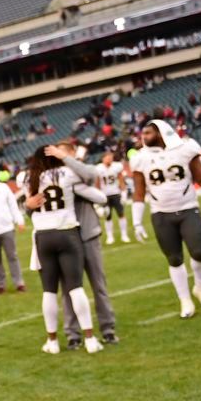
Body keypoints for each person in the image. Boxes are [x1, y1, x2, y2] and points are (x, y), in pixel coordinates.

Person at [129, 119, 201, 318]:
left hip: (188, 209)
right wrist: (137, 221)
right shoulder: (140, 158)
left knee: (199, 252)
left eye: (148, 133)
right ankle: (185, 299)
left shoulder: (185, 149)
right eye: (143, 133)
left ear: (162, 133)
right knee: (174, 259)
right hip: (161, 214)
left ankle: (200, 288)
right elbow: (139, 192)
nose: (143, 137)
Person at [23, 145, 105, 355]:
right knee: (76, 288)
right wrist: (68, 158)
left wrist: (27, 205)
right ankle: (89, 338)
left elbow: (28, 205)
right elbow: (89, 177)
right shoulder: (68, 173)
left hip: (43, 236)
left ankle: (52, 341)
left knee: (49, 291)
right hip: (67, 232)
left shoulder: (26, 177)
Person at [44, 146, 119, 347]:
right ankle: (72, 333)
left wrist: (69, 158)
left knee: (98, 285)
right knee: (69, 289)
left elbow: (90, 175)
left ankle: (108, 328)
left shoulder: (79, 172)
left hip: (87, 235)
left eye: (62, 153)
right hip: (65, 238)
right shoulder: (55, 177)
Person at [96, 152, 131, 244]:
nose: (109, 159)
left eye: (111, 158)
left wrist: (124, 193)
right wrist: (97, 197)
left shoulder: (116, 166)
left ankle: (124, 235)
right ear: (103, 158)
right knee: (108, 216)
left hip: (115, 193)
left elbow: (121, 180)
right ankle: (110, 236)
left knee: (121, 214)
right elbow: (97, 184)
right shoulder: (98, 168)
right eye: (108, 158)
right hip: (104, 195)